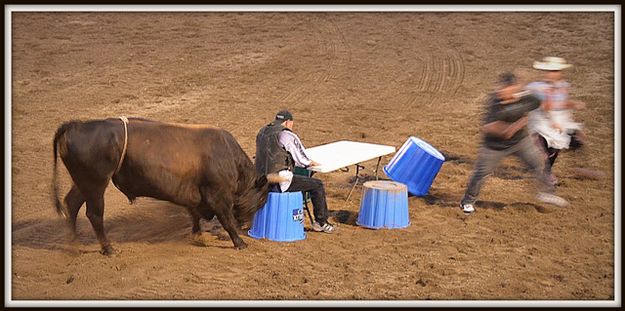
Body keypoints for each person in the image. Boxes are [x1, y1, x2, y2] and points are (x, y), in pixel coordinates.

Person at [460, 72, 569, 215]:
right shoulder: (495, 104)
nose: (500, 91)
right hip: (494, 147)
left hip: (520, 142)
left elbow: (541, 103)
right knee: (481, 173)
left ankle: (544, 193)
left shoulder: (526, 98)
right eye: (501, 88)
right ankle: (467, 201)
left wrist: (552, 120)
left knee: (538, 163)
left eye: (506, 88)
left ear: (515, 88)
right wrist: (516, 125)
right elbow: (488, 127)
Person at [255, 109, 336, 233]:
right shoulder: (286, 134)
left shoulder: (262, 131)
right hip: (279, 181)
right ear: (288, 122)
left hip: (260, 179)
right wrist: (312, 163)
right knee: (317, 185)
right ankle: (321, 222)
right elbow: (301, 160)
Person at [526, 57, 586, 185]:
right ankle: (545, 173)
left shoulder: (563, 86)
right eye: (550, 71)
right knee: (544, 151)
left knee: (555, 148)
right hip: (541, 121)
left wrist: (573, 104)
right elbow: (544, 107)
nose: (552, 74)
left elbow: (562, 103)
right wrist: (552, 121)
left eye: (555, 71)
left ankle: (546, 172)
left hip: (558, 119)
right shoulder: (537, 88)